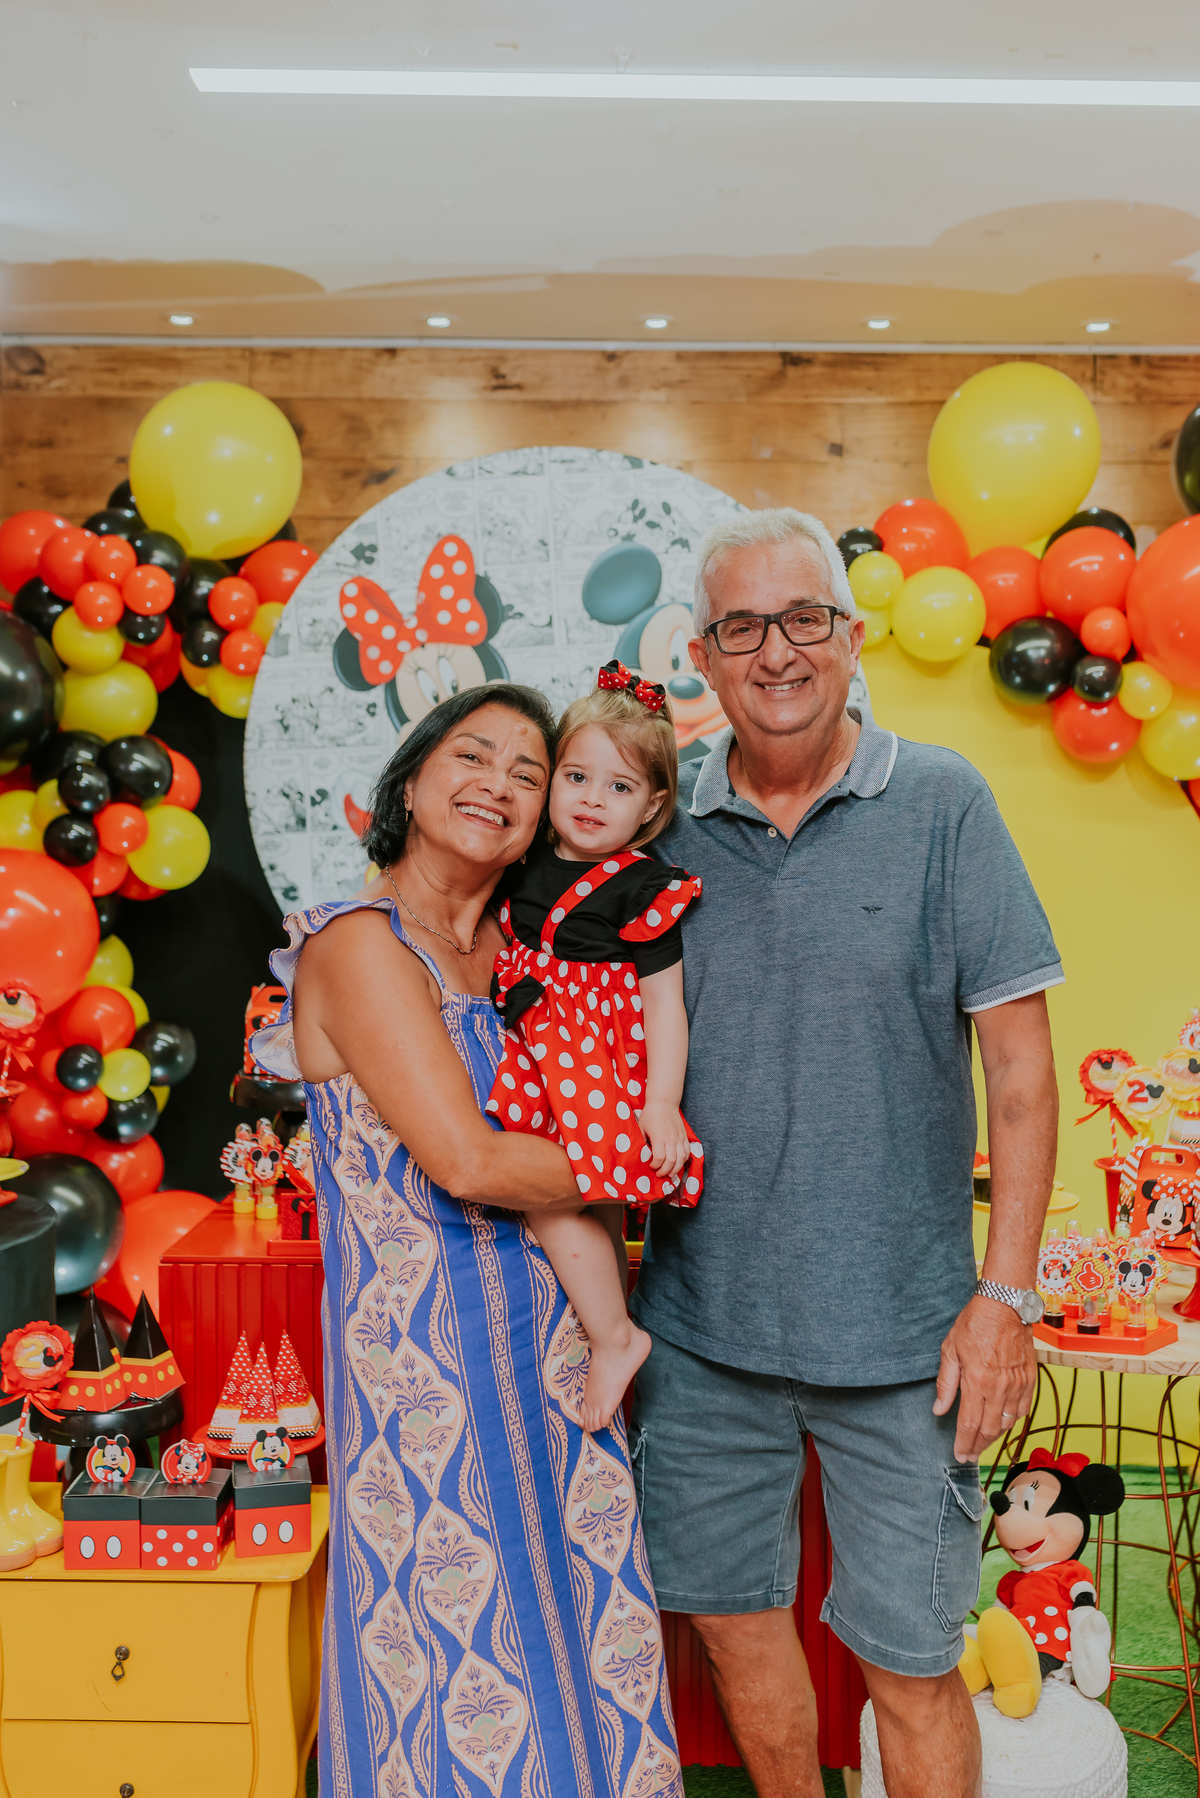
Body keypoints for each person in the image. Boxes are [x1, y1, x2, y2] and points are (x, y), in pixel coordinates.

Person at [629, 509, 1062, 1798]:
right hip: (703, 1334)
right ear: (702, 657)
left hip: (910, 1342)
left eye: (802, 617)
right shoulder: (659, 832)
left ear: (851, 634)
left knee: (914, 1662)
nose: (777, 652)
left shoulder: (943, 804)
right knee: (736, 1629)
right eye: (743, 626)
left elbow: (1024, 1073)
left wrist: (1006, 1297)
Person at [253, 684, 684, 1798]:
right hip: (429, 1374)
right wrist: (657, 1160)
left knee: (589, 1640)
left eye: (529, 772)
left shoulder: (529, 944)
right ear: (410, 780)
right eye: (472, 754)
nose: (498, 781)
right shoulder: (359, 942)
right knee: (462, 1668)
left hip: (559, 1352)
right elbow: (473, 1161)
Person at [487, 662, 704, 1431]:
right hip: (532, 1038)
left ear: (652, 805)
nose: (589, 798)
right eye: (576, 775)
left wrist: (662, 1105)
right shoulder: (521, 861)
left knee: (549, 1184)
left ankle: (616, 1336)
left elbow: (664, 1006)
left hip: (588, 1057)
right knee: (596, 1212)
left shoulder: (643, 887)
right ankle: (601, 1331)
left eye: (617, 788)